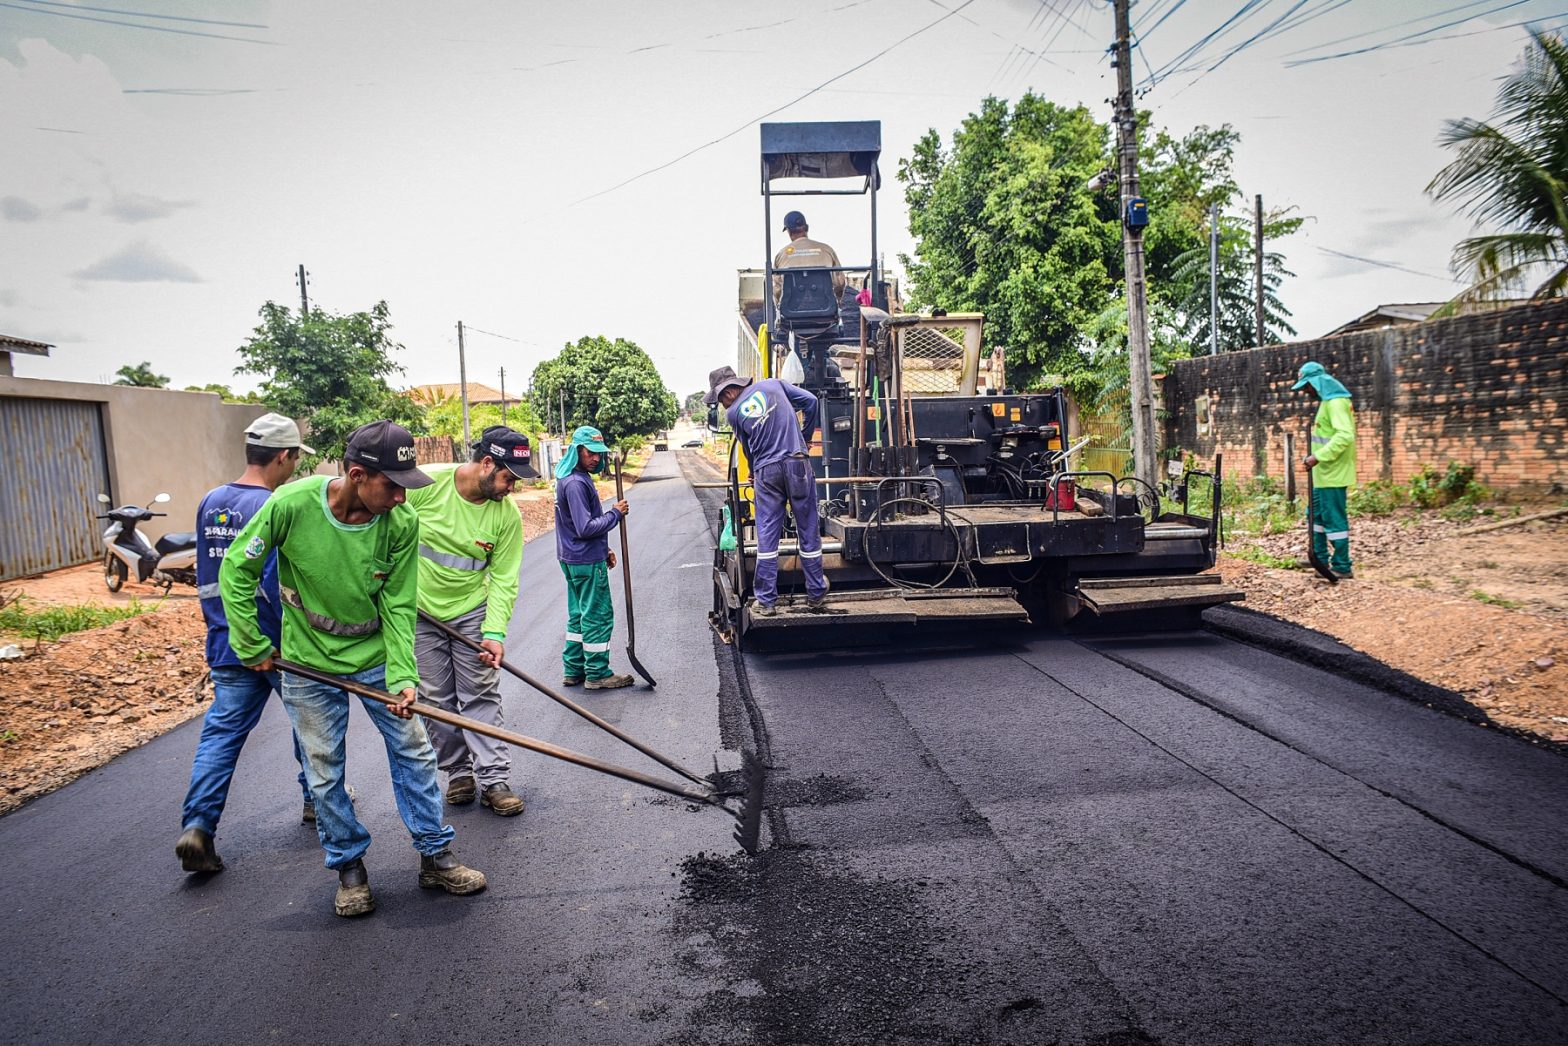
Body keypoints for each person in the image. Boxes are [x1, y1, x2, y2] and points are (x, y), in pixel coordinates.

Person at [220, 419, 486, 918]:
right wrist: (250, 640)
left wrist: (404, 676)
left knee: (416, 752)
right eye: (393, 486)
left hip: (377, 658)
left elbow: (400, 606)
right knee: (324, 772)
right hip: (306, 661)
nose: (402, 500)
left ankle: (435, 854)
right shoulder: (291, 506)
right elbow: (237, 568)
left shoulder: (401, 525)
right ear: (358, 475)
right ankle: (349, 868)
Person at [175, 413, 316, 874]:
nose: (295, 465)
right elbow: (274, 585)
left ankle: (198, 826)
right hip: (273, 645)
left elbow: (207, 577)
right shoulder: (273, 507)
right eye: (296, 457)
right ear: (283, 456)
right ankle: (317, 799)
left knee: (221, 735)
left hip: (225, 641)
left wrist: (230, 635)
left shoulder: (210, 501)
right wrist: (276, 644)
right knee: (309, 721)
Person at [407, 426, 534, 816]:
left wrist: (493, 633)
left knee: (479, 693)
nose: (511, 487)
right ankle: (459, 772)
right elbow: (385, 532)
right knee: (436, 698)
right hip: (419, 611)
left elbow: (504, 578)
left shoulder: (505, 516)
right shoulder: (427, 486)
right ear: (486, 463)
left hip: (471, 612)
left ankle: (494, 779)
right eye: (508, 477)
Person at [704, 366, 829, 614]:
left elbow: (748, 448)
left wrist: (752, 471)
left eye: (719, 400)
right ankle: (815, 592)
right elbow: (812, 401)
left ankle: (767, 601)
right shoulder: (774, 384)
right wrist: (805, 438)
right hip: (797, 463)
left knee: (768, 533)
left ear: (727, 393)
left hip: (766, 473)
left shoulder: (734, 414)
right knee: (808, 527)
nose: (721, 406)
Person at [553, 424, 631, 690]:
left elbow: (576, 525)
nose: (596, 458)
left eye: (599, 453)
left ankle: (573, 670)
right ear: (577, 450)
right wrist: (615, 514)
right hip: (585, 561)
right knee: (597, 614)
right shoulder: (575, 483)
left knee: (578, 615)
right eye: (591, 452)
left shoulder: (570, 477)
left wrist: (604, 549)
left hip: (573, 558)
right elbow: (585, 527)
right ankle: (597, 673)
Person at [1294, 360, 1357, 580]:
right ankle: (1319, 558)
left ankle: (1342, 565)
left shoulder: (1337, 402)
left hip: (1333, 473)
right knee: (1315, 516)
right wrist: (1313, 457)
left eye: (1306, 386)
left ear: (1317, 382)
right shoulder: (1326, 402)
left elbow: (1344, 436)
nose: (1305, 391)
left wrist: (1317, 457)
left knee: (1334, 520)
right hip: (1322, 473)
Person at [772, 210, 845, 304]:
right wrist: (837, 301)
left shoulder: (781, 255)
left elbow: (777, 289)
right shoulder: (827, 250)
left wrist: (779, 305)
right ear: (807, 228)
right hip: (826, 309)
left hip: (791, 312)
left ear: (789, 232)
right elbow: (839, 282)